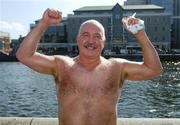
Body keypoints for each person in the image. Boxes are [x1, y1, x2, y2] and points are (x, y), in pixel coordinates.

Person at [16, 8, 162, 125]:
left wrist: (140, 34)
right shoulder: (61, 65)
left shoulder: (117, 67)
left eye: (97, 36)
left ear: (104, 42)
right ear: (78, 39)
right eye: (85, 35)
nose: (91, 41)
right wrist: (43, 23)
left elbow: (154, 69)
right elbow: (24, 55)